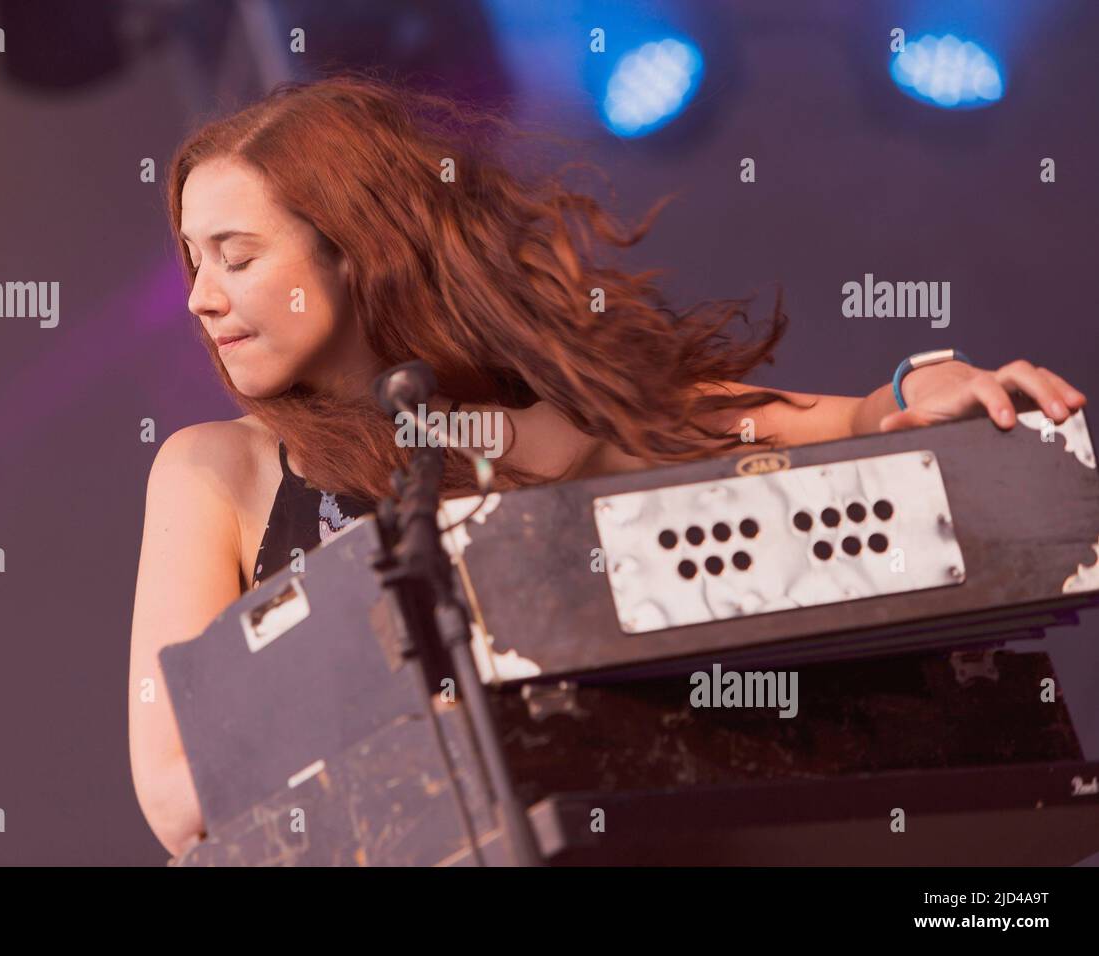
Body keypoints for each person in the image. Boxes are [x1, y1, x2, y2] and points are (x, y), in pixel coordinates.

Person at [127, 73, 1087, 860]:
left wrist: (924, 380)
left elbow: (840, 422)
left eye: (237, 257)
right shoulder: (215, 471)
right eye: (192, 261)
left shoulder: (559, 424)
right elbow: (175, 793)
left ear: (354, 252)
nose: (201, 299)